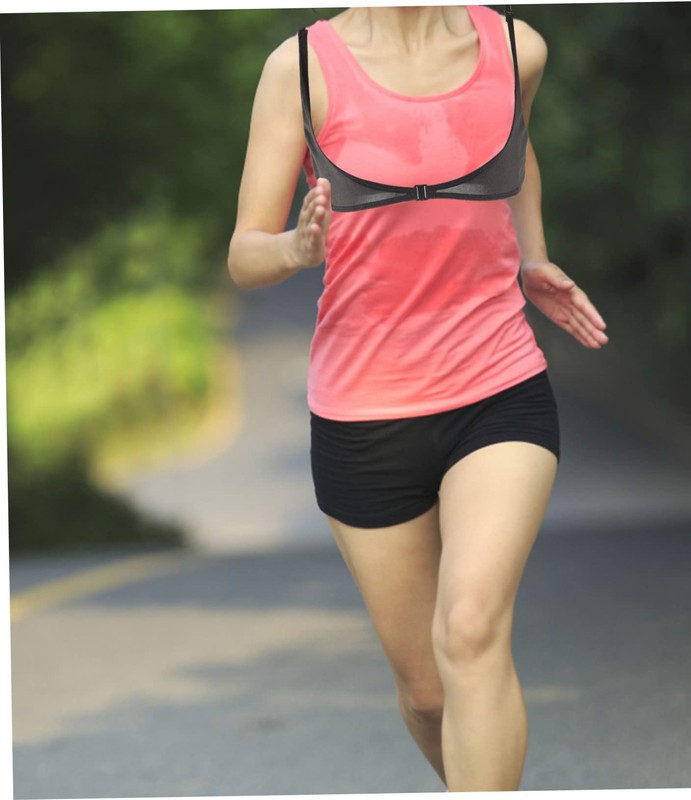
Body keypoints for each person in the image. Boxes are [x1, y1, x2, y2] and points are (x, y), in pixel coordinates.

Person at [228, 4, 608, 791]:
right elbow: (243, 254)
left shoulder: (516, 47)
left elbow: (514, 148)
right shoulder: (301, 69)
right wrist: (296, 248)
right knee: (430, 695)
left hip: (497, 385)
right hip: (363, 413)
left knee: (469, 630)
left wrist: (532, 255)